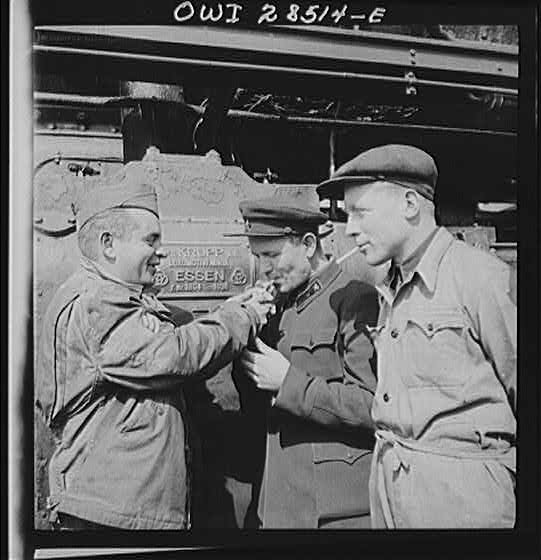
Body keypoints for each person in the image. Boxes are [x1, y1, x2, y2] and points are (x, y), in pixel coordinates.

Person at [35, 162, 274, 530]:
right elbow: (171, 354)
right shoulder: (97, 301)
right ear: (108, 245)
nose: (161, 252)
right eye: (151, 240)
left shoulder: (113, 297)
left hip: (120, 507)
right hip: (110, 514)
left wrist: (229, 309)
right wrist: (242, 318)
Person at [316, 144, 517, 528]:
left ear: (410, 204)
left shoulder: (479, 278)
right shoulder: (392, 285)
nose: (351, 229)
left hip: (462, 502)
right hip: (393, 489)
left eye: (360, 212)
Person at [232, 191, 378, 529]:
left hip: (335, 509)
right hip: (278, 501)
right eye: (257, 256)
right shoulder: (278, 304)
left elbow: (371, 405)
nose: (264, 268)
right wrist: (246, 324)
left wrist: (287, 383)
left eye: (271, 255)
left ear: (309, 245)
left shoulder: (354, 299)